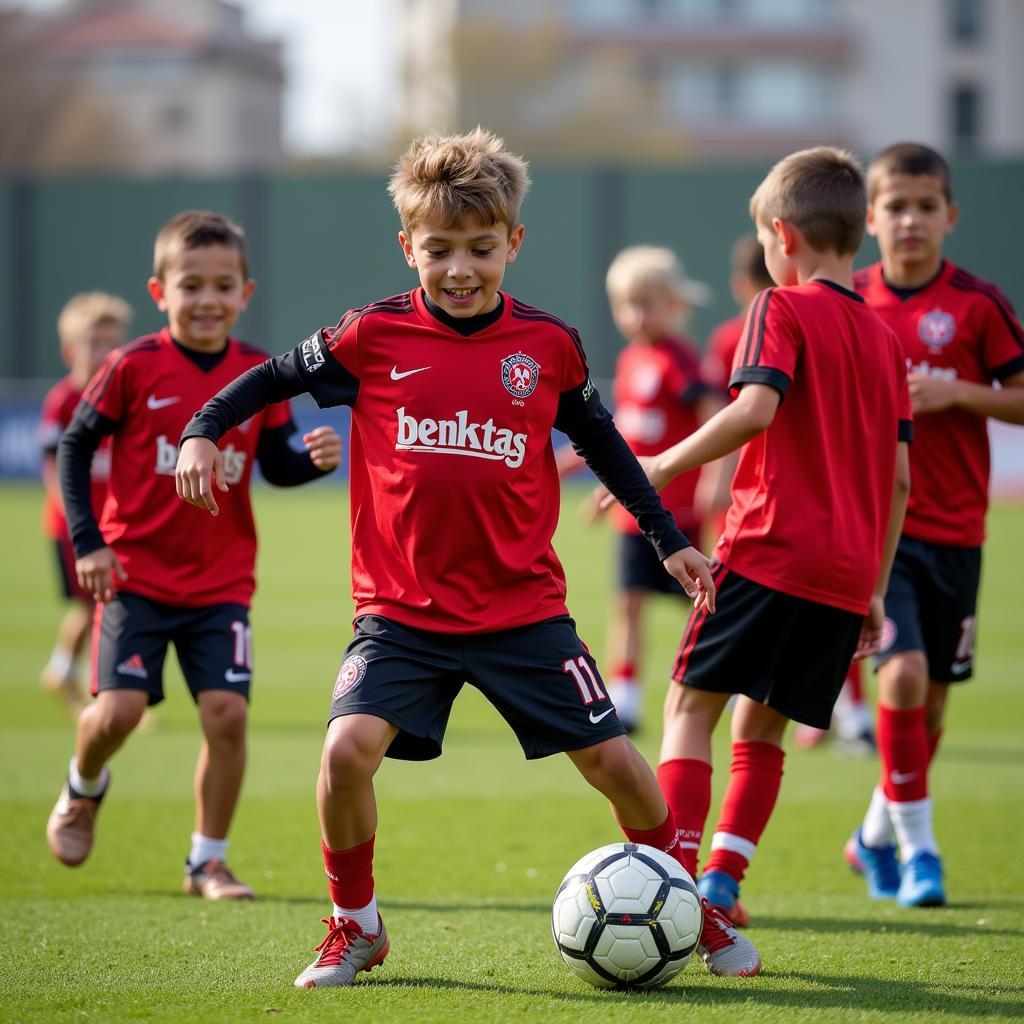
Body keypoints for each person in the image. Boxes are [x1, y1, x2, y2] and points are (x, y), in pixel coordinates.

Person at [175, 127, 761, 985]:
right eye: (438, 249)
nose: (460, 269)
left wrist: (668, 538)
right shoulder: (370, 336)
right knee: (344, 755)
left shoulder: (548, 346)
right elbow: (264, 380)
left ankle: (691, 906)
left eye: (481, 249)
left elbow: (604, 445)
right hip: (401, 615)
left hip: (523, 610)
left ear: (513, 244)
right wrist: (201, 432)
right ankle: (355, 925)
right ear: (406, 245)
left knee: (615, 765)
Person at [603, 147, 912, 928]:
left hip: (770, 547)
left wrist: (656, 465)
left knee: (690, 708)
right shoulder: (885, 340)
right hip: (844, 574)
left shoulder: (778, 308)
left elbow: (753, 411)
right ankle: (722, 881)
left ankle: (673, 884)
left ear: (781, 235)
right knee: (762, 725)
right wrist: (874, 589)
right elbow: (901, 480)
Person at [45, 210, 343, 901]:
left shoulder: (254, 374)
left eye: (222, 285)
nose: (207, 299)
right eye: (190, 285)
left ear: (246, 291)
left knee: (227, 715)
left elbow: (273, 462)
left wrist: (312, 461)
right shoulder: (133, 367)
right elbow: (74, 445)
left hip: (221, 583)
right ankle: (84, 787)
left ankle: (207, 860)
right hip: (136, 577)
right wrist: (88, 542)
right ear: (160, 292)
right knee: (116, 715)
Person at [845, 143, 1024, 908]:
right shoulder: (847, 301)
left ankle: (874, 833)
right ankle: (923, 853)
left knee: (934, 704)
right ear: (869, 218)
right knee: (906, 675)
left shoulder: (978, 305)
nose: (910, 220)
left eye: (925, 206)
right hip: (879, 532)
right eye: (895, 206)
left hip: (960, 533)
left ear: (950, 216)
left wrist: (957, 393)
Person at [556, 245, 724, 732]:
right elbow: (622, 440)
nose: (635, 316)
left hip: (678, 514)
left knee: (707, 605)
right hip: (634, 517)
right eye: (625, 305)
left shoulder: (678, 359)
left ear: (673, 305)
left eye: (646, 303)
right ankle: (624, 703)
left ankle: (735, 677)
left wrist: (717, 477)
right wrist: (579, 474)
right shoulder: (631, 361)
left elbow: (712, 415)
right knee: (627, 603)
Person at [39, 292, 131, 717]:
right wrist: (79, 520)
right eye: (93, 344)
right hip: (76, 528)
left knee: (100, 605)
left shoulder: (123, 395)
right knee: (100, 605)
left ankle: (69, 675)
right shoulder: (63, 401)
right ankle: (103, 692)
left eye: (111, 345)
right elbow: (53, 465)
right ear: (69, 350)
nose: (103, 354)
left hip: (114, 525)